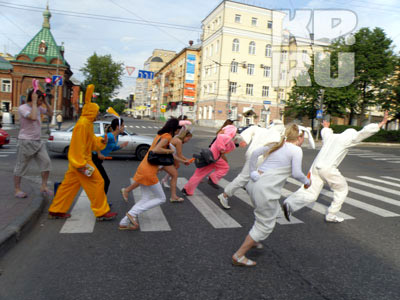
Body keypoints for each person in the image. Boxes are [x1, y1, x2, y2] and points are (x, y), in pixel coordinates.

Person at [282, 112, 389, 223]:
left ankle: (289, 203)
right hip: (328, 169)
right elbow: (364, 133)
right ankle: (331, 214)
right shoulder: (348, 139)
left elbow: (326, 133)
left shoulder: (333, 137)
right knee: (342, 190)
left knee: (310, 192)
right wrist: (381, 123)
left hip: (315, 167)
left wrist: (326, 127)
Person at [232, 124, 310, 267]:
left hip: (254, 184)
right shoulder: (296, 150)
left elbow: (254, 154)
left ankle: (254, 240)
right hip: (265, 190)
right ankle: (239, 255)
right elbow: (297, 173)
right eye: (303, 137)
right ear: (299, 137)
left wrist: (252, 172)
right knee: (265, 224)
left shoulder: (278, 144)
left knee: (270, 213)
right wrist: (307, 182)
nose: (303, 140)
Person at [48, 84, 117, 221]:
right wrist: (81, 164)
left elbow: (90, 143)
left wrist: (101, 142)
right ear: (91, 111)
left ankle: (56, 210)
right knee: (98, 182)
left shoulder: (87, 123)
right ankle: (101, 212)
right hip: (81, 162)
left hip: (78, 162)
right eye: (97, 111)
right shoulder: (83, 124)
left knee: (68, 187)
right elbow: (77, 146)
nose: (98, 114)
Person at [119, 118, 181, 230]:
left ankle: (124, 222)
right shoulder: (167, 137)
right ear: (174, 128)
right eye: (178, 129)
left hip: (144, 168)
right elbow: (156, 150)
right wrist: (170, 151)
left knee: (145, 198)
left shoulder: (160, 135)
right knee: (161, 198)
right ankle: (132, 214)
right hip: (149, 171)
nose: (179, 131)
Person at [217, 120, 286, 209]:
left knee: (254, 179)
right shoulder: (277, 135)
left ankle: (256, 195)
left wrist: (244, 140)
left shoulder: (261, 130)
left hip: (251, 154)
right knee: (244, 177)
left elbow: (248, 133)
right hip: (259, 158)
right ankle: (224, 195)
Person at [182, 124, 244, 196]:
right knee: (225, 167)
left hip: (209, 156)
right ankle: (213, 178)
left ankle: (187, 189)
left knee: (199, 174)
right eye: (234, 132)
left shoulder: (224, 137)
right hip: (214, 157)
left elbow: (228, 146)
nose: (235, 134)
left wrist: (234, 144)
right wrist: (222, 149)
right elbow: (224, 148)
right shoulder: (225, 136)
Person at [14, 89, 53, 198]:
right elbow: (33, 117)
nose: (40, 102)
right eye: (39, 100)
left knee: (46, 162)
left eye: (41, 100)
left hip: (38, 141)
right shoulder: (23, 108)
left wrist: (45, 102)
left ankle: (44, 186)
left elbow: (50, 113)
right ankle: (17, 190)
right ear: (32, 98)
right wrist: (35, 103)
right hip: (25, 141)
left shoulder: (39, 107)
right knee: (21, 166)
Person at [92, 118, 129, 197]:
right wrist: (98, 153)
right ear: (117, 127)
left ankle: (100, 201)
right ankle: (101, 203)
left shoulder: (116, 137)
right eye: (122, 125)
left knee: (99, 181)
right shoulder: (109, 136)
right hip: (93, 158)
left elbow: (113, 148)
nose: (124, 127)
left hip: (98, 160)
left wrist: (121, 146)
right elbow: (96, 142)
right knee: (105, 181)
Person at [160, 121, 193, 202]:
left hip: (167, 158)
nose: (188, 141)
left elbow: (176, 155)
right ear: (185, 136)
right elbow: (179, 155)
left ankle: (173, 196)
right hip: (164, 159)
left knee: (174, 172)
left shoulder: (177, 138)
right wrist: (186, 160)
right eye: (188, 139)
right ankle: (172, 195)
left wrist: (186, 160)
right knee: (150, 174)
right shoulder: (178, 141)